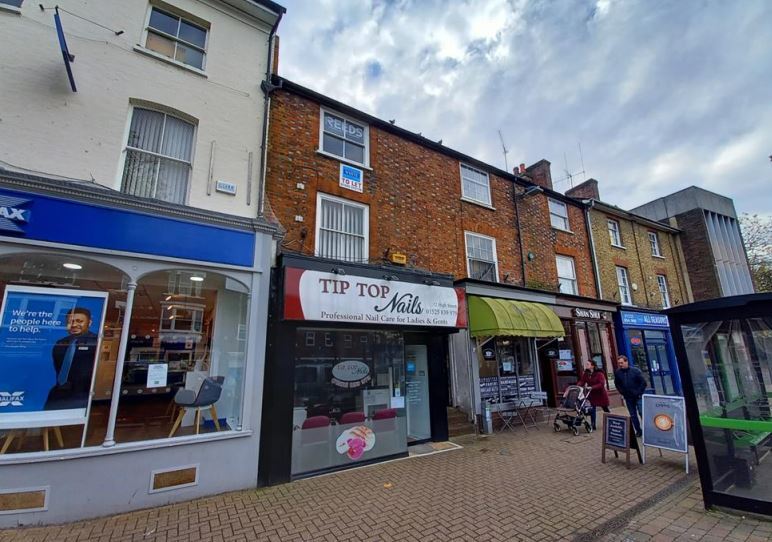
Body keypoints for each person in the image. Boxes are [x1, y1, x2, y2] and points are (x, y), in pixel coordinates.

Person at [44, 307, 99, 410]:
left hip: (83, 394)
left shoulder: (96, 342)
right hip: (59, 392)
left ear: (89, 323)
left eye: (79, 321)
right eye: (70, 322)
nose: (74, 325)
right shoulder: (61, 343)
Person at [614, 354, 647, 437]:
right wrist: (622, 392)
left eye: (621, 363)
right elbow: (617, 384)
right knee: (633, 415)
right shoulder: (618, 373)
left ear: (626, 362)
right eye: (619, 363)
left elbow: (643, 383)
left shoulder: (635, 371)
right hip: (628, 397)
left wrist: (639, 392)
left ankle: (647, 430)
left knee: (642, 413)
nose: (620, 365)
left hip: (638, 396)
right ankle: (638, 431)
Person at [577, 360, 610, 431]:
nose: (586, 365)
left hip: (600, 394)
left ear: (592, 366)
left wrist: (592, 387)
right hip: (592, 394)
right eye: (586, 364)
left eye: (588, 364)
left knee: (605, 408)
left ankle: (611, 420)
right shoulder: (586, 373)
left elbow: (601, 384)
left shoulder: (599, 374)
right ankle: (593, 424)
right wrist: (578, 386)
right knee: (592, 408)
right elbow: (582, 381)